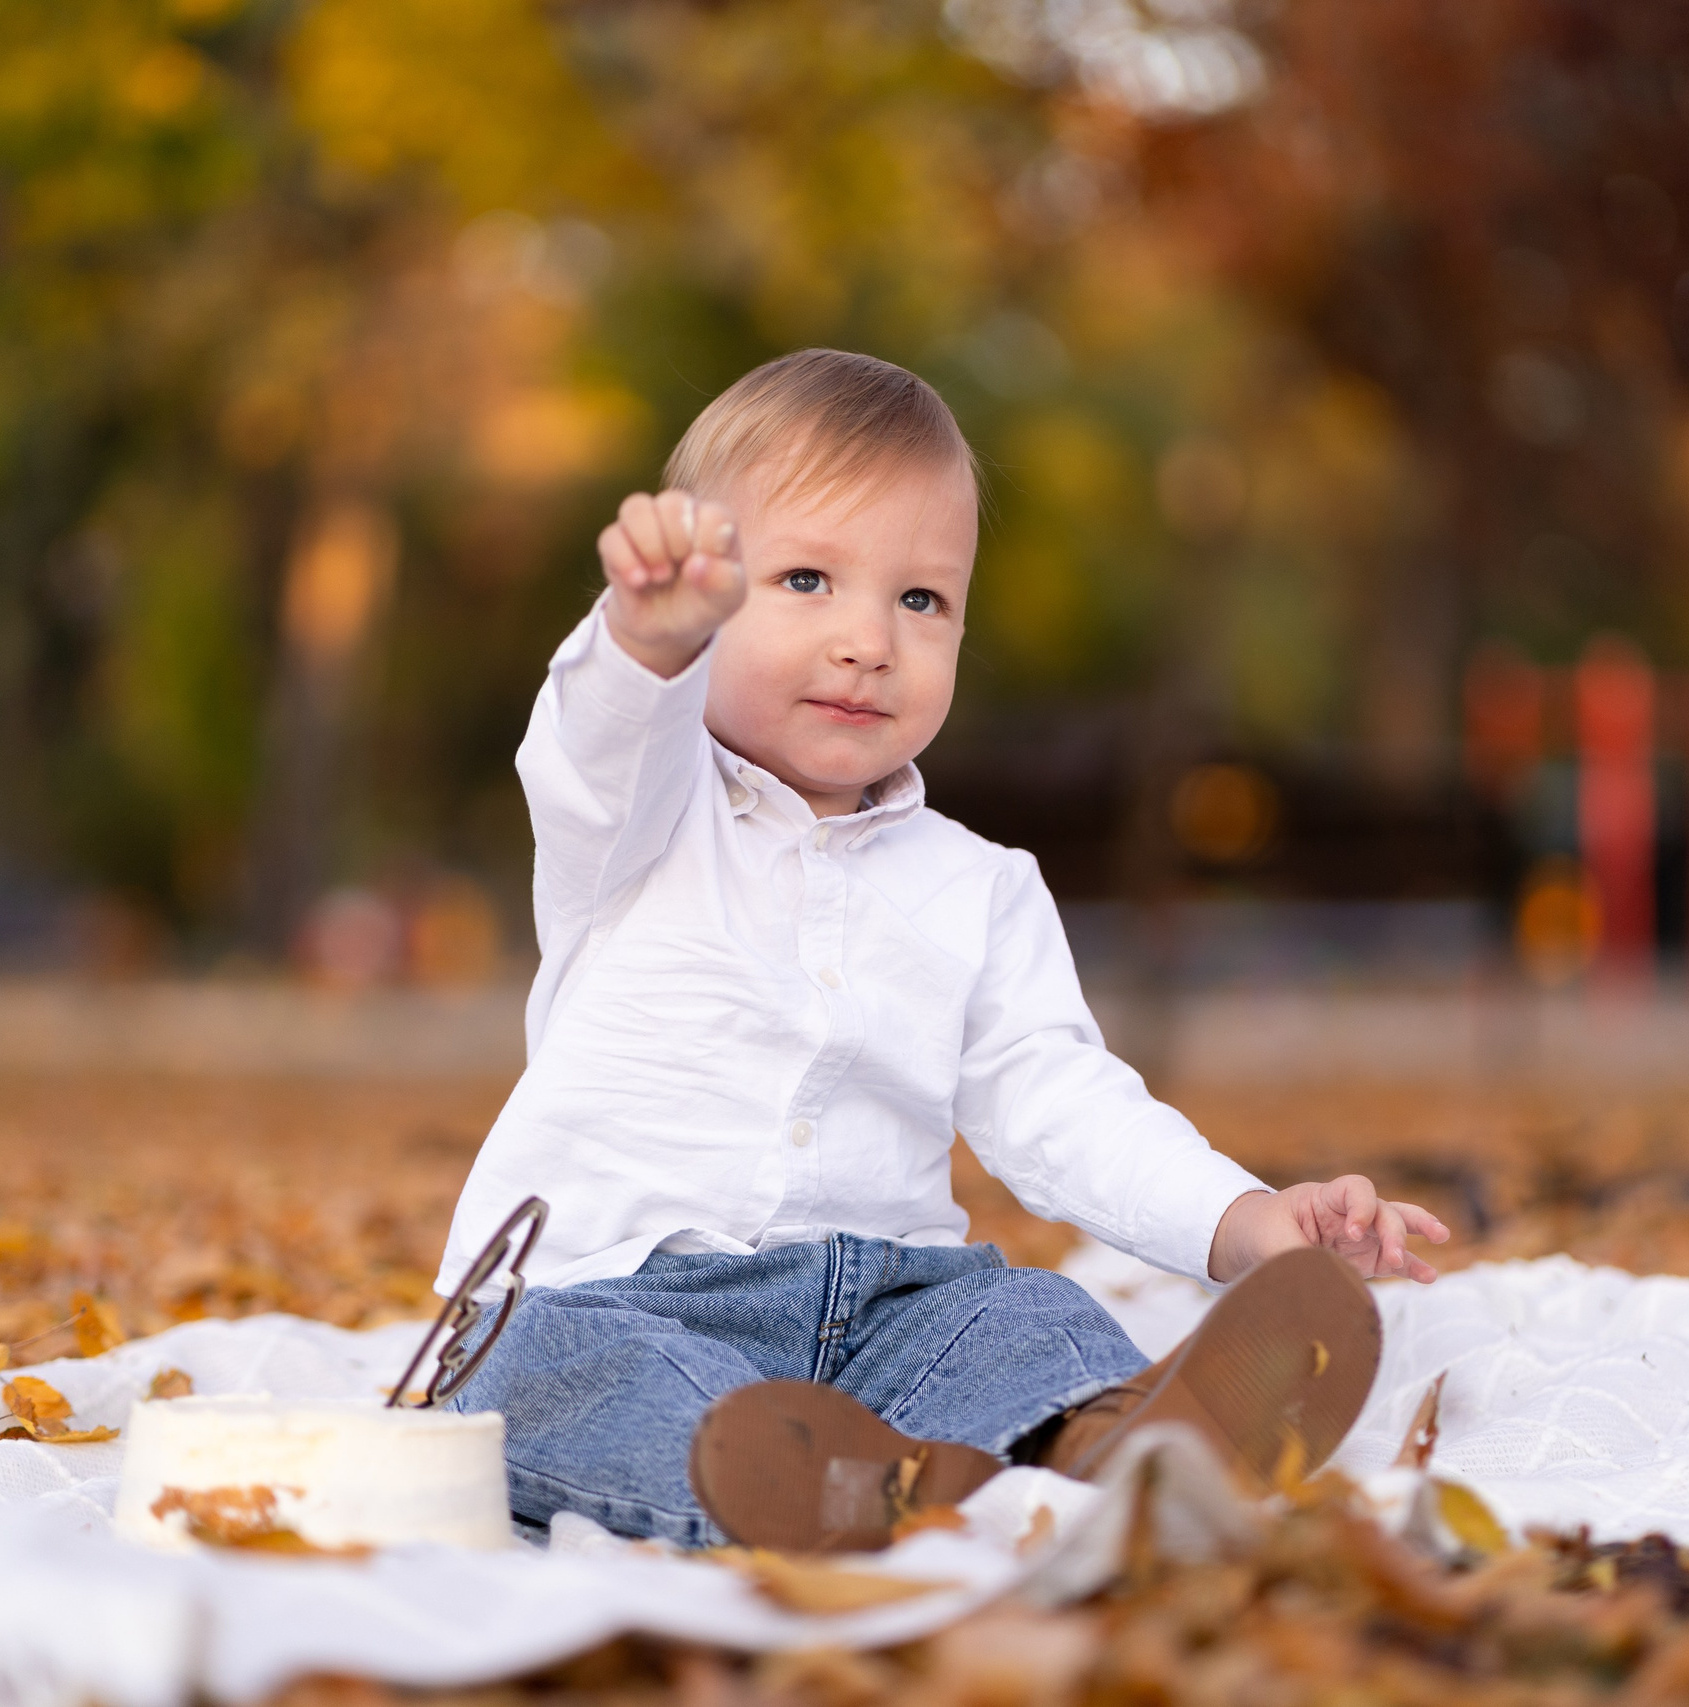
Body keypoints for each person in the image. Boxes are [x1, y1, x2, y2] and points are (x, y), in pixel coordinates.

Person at [438, 349, 1447, 1551]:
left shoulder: (980, 888)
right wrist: (640, 644)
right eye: (806, 579)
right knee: (537, 1368)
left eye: (921, 601)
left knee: (1030, 1319)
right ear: (705, 606)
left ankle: (1108, 1446)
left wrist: (1244, 1221)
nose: (869, 640)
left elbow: (1062, 1105)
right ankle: (818, 1486)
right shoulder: (644, 817)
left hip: (886, 1309)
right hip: (620, 1290)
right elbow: (592, 741)